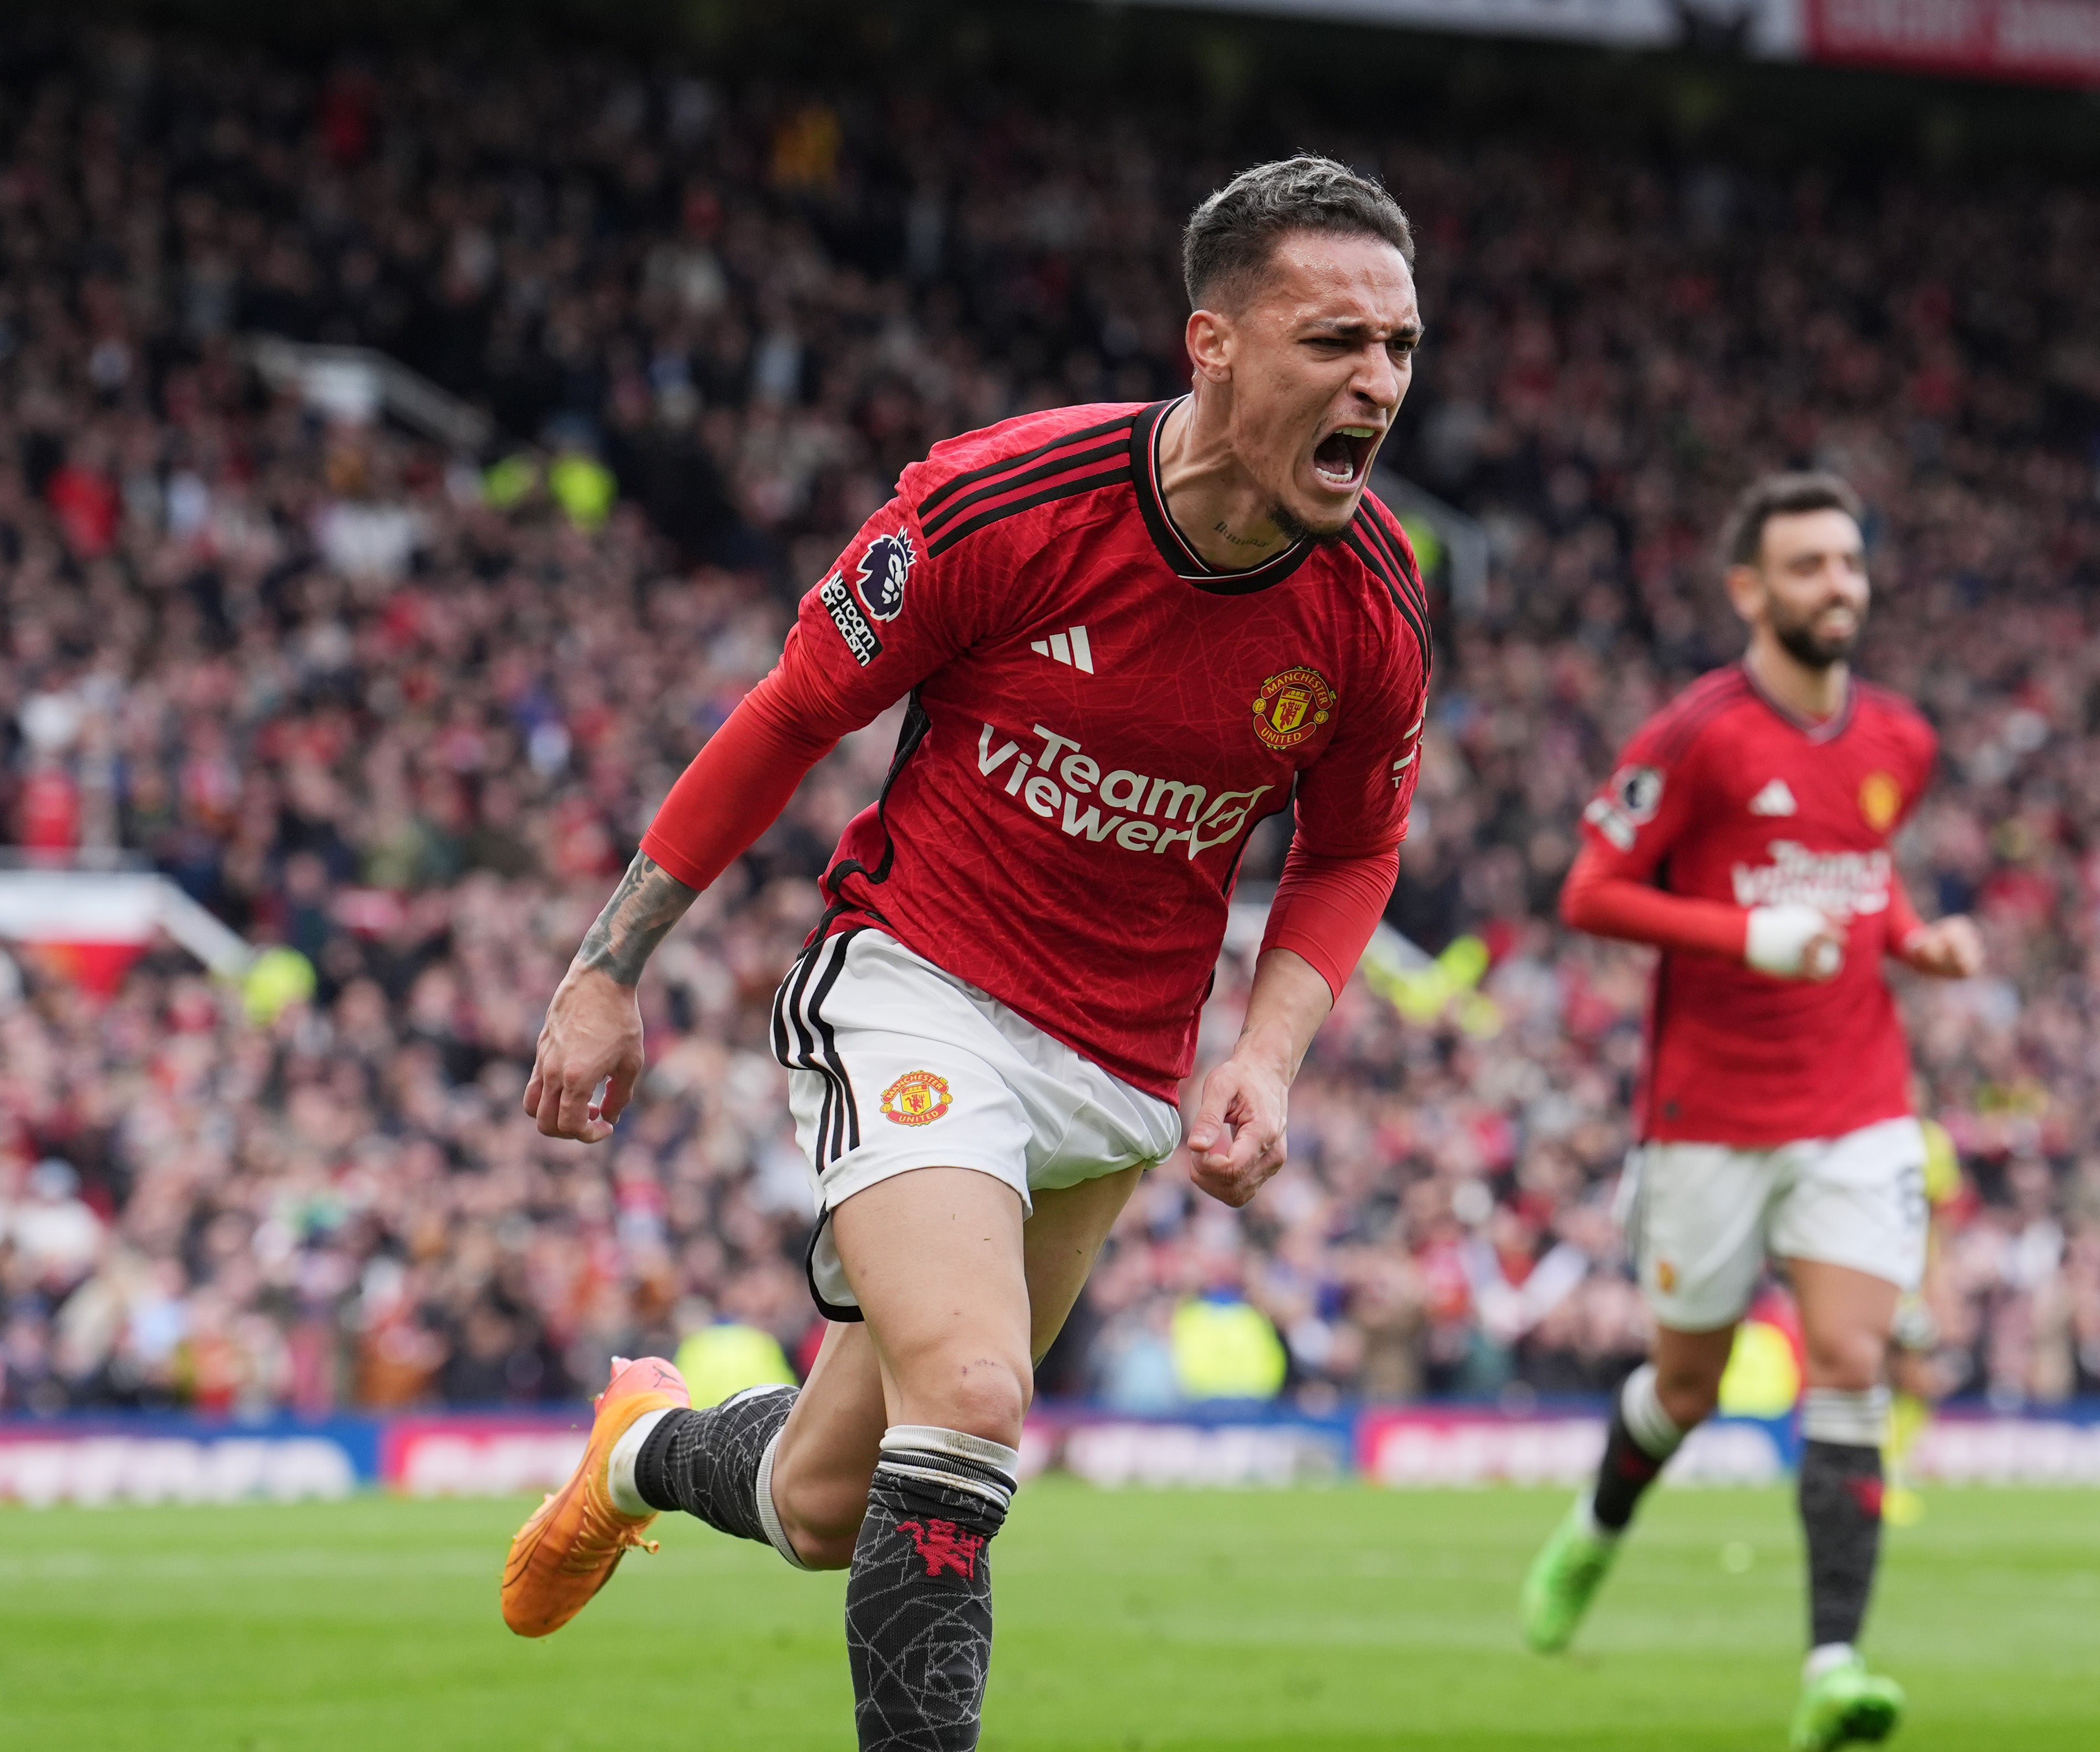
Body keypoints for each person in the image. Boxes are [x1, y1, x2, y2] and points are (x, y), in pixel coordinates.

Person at [500, 156, 1431, 1752]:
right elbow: (792, 714)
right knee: (979, 1402)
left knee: (819, 1500)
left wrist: (1264, 1055)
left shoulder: (1370, 607)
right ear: (1210, 345)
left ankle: (646, 1446)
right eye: (1334, 342)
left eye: (1400, 348)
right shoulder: (1007, 502)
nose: (1380, 383)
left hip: (1122, 1063)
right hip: (918, 983)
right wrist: (607, 967)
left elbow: (1349, 847)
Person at [1517, 473, 1984, 1750]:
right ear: (1750, 590)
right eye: (1808, 567)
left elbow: (1866, 882)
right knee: (1689, 1385)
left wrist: (1915, 941)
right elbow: (1589, 891)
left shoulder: (1901, 739)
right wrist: (1743, 934)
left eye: (1849, 563)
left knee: (1850, 1365)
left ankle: (1835, 1665)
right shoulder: (1696, 735)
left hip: (1856, 1102)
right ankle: (1597, 1529)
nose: (1839, 585)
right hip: (1708, 1116)